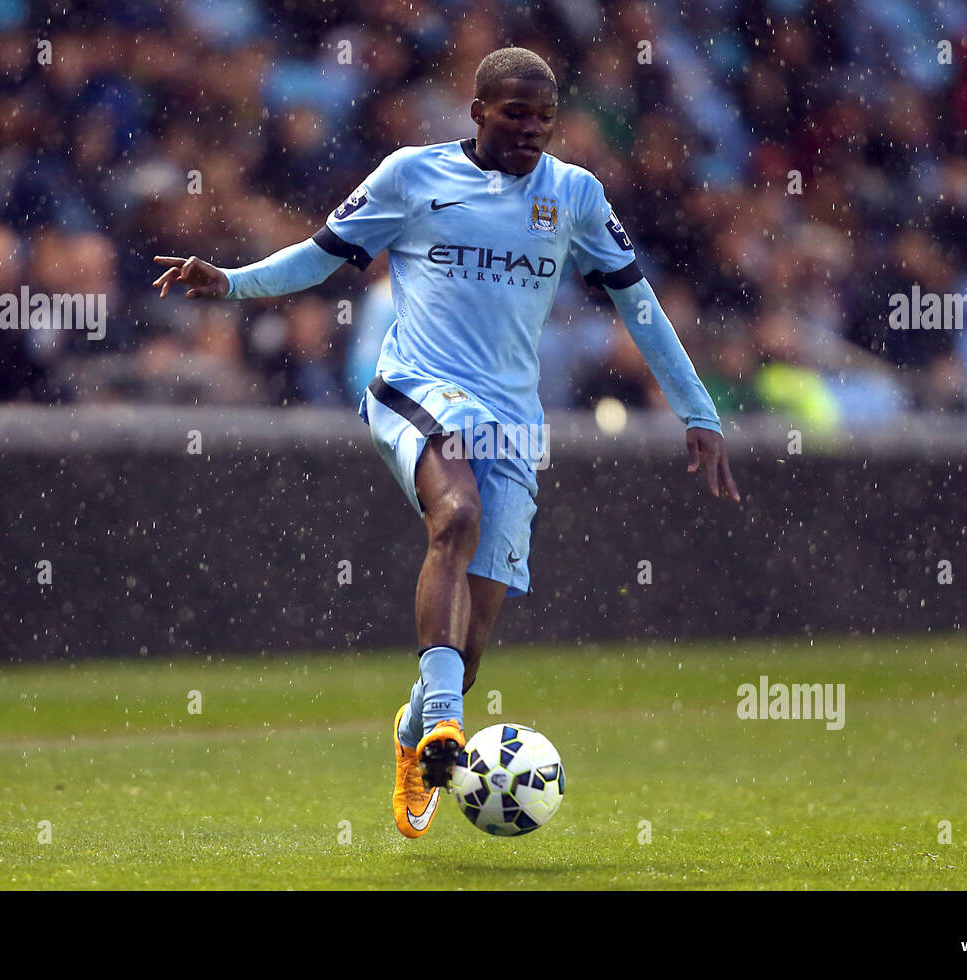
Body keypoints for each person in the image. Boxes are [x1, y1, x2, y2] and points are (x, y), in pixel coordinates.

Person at [151, 47, 739, 839]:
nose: (531, 130)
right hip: (416, 387)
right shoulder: (410, 176)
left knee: (476, 631)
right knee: (454, 512)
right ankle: (445, 726)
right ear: (478, 112)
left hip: (512, 416)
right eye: (515, 114)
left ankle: (418, 728)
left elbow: (639, 308)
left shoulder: (574, 195)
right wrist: (229, 282)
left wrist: (696, 410)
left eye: (544, 118)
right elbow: (319, 258)